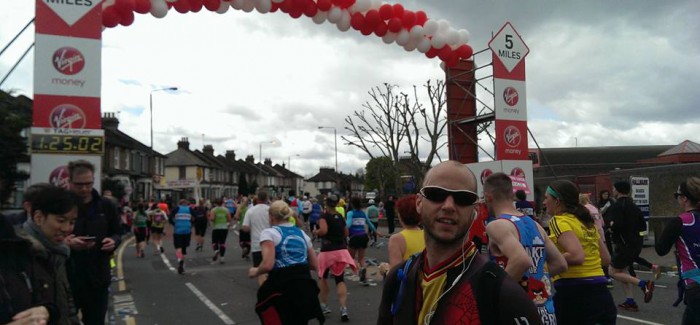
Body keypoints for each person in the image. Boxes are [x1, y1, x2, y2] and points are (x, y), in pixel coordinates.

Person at [377, 161, 541, 324]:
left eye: (462, 198)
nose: (449, 206)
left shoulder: (503, 293)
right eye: (436, 194)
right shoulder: (398, 278)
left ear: (475, 211)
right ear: (419, 203)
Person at [484, 173, 567, 324]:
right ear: (512, 194)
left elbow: (521, 260)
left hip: (517, 313)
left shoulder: (496, 225)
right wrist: (535, 278)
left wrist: (494, 295)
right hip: (546, 314)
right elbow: (560, 263)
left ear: (488, 197)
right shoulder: (534, 224)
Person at [1, 186, 82, 325]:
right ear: (38, 217)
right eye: (61, 220)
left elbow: (67, 303)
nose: (67, 229)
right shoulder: (20, 253)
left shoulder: (60, 253)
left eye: (72, 222)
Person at [545, 180, 616, 324]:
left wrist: (544, 267)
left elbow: (576, 255)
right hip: (602, 294)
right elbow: (606, 259)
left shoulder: (558, 221)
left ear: (557, 201)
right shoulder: (586, 221)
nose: (544, 202)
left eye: (546, 198)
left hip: (575, 294)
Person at [248, 200, 324, 324]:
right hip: (304, 286)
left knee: (272, 313)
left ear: (272, 216)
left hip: (282, 287)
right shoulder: (302, 234)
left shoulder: (270, 233)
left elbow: (268, 264)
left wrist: (255, 271)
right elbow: (315, 265)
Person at [65, 160, 122, 325]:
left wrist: (114, 241)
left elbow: (118, 231)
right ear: (69, 182)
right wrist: (68, 243)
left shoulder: (106, 205)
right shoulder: (61, 205)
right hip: (68, 279)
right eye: (79, 185)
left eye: (88, 184)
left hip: (98, 278)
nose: (84, 189)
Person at [656, 178, 700, 324]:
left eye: (677, 196)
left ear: (685, 199)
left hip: (695, 283)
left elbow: (661, 249)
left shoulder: (680, 221)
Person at [606, 181, 655, 311]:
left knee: (612, 272)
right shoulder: (634, 206)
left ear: (618, 190)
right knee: (624, 271)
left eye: (614, 188)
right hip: (635, 245)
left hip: (623, 246)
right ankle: (630, 301)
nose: (613, 190)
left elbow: (618, 225)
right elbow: (643, 227)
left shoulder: (617, 206)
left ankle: (644, 284)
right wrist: (637, 238)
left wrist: (611, 227)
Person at [314, 194, 357, 322]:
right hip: (341, 250)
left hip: (327, 251)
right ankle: (343, 308)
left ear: (326, 203)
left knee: (322, 277)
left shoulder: (324, 216)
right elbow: (346, 233)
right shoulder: (340, 217)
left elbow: (324, 230)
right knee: (340, 279)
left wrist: (316, 232)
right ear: (337, 203)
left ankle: (324, 305)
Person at [346, 196, 378, 286]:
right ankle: (365, 277)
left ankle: (359, 271)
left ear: (351, 204)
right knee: (361, 259)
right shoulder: (363, 213)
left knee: (350, 258)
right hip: (363, 236)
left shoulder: (350, 213)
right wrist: (376, 232)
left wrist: (342, 228)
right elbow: (370, 223)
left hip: (354, 237)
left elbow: (348, 225)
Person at [242, 190, 271, 286]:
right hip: (271, 243)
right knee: (271, 267)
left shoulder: (250, 211)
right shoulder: (271, 210)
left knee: (259, 269)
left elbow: (245, 228)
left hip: (257, 243)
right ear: (267, 199)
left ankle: (264, 289)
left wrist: (252, 228)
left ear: (257, 199)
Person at [387, 194, 424, 268]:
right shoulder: (428, 235)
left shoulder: (396, 239)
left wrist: (385, 270)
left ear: (400, 215)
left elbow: (396, 273)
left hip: (410, 278)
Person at [170, 199, 194, 274]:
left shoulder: (176, 209)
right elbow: (196, 216)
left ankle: (180, 260)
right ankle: (182, 263)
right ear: (186, 204)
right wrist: (191, 224)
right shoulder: (189, 209)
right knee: (184, 248)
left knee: (178, 248)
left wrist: (174, 224)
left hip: (178, 230)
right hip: (187, 230)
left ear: (179, 204)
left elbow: (170, 218)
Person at [209, 198, 232, 264]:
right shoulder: (226, 210)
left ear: (215, 203)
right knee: (222, 243)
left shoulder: (213, 210)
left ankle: (216, 250)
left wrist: (211, 218)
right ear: (222, 203)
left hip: (216, 228)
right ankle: (222, 258)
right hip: (224, 228)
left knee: (214, 242)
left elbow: (212, 218)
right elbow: (229, 219)